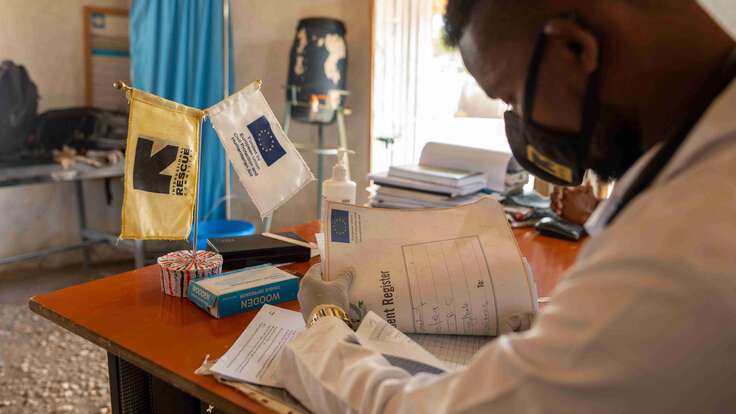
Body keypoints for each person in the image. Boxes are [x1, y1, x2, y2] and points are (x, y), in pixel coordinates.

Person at [276, 0, 736, 412]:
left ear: (576, 48)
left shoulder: (682, 245)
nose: (521, 126)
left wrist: (324, 326)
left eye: (513, 97)